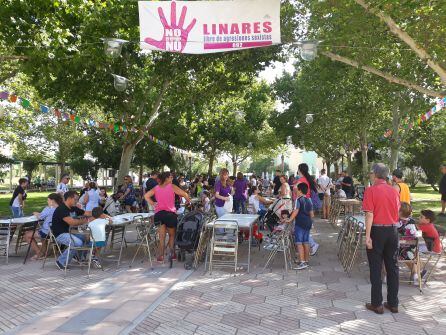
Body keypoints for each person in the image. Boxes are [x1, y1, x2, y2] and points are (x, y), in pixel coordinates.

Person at [362, 163, 401, 314]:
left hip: (377, 231)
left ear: (375, 174)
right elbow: (397, 211)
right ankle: (393, 303)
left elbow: (369, 214)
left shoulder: (371, 191)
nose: (370, 175)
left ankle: (377, 304)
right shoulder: (394, 191)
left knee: (376, 268)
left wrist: (367, 237)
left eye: (371, 173)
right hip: (392, 230)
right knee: (392, 268)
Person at [145, 171, 191, 262]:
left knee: (161, 237)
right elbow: (185, 194)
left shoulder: (156, 187)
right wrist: (188, 202)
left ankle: (161, 256)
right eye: (170, 177)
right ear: (166, 178)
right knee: (171, 235)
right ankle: (172, 254)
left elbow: (146, 196)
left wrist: (152, 203)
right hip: (170, 214)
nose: (172, 179)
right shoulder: (172, 186)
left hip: (159, 214)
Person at [51, 191, 94, 269]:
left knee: (89, 238)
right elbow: (72, 222)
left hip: (70, 231)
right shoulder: (61, 209)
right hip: (60, 234)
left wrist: (98, 213)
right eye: (75, 199)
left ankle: (78, 256)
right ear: (69, 198)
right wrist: (85, 221)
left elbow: (86, 213)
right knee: (77, 243)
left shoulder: (73, 208)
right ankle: (61, 261)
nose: (77, 201)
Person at [24, 193, 63, 259]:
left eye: (48, 200)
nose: (47, 202)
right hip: (57, 231)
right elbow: (43, 215)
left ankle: (39, 253)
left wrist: (34, 213)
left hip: (48, 232)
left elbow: (40, 217)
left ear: (52, 201)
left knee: (27, 235)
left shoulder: (48, 209)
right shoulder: (61, 208)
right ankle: (44, 252)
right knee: (42, 232)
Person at [285, 183, 314, 270]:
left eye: (297, 190)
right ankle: (306, 260)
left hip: (300, 223)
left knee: (299, 243)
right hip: (308, 223)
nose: (296, 191)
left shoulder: (298, 200)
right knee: (306, 242)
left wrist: (289, 219)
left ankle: (302, 262)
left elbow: (296, 211)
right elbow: (312, 214)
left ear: (300, 190)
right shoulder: (309, 200)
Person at [296, 163, 320, 256]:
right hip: (306, 203)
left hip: (302, 204)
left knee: (301, 227)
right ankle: (304, 248)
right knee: (304, 227)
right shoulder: (306, 179)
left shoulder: (301, 180)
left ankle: (312, 245)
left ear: (300, 170)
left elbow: (298, 192)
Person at [396, 202, 420, 282]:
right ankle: (415, 274)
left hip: (397, 251)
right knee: (411, 255)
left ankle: (386, 275)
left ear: (399, 212)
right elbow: (416, 234)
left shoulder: (396, 221)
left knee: (384, 250)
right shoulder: (412, 221)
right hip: (411, 252)